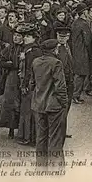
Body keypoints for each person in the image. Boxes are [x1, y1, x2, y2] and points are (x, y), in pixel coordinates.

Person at [31, 39, 68, 169]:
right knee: (55, 138)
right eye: (57, 48)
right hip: (54, 105)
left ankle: (40, 167)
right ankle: (55, 168)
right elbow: (60, 87)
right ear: (54, 50)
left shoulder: (35, 62)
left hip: (38, 104)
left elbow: (32, 83)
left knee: (41, 137)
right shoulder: (56, 63)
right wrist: (64, 103)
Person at [0, 26, 25, 138]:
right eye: (14, 35)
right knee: (10, 102)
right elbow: (1, 60)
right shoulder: (10, 48)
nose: (16, 37)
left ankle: (22, 129)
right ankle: (11, 129)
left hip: (22, 76)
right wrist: (10, 64)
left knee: (22, 102)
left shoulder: (25, 48)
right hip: (12, 77)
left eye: (18, 35)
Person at [70, 3, 92, 104]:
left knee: (78, 73)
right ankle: (75, 95)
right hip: (82, 51)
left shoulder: (75, 22)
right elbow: (88, 41)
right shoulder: (84, 24)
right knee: (80, 75)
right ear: (84, 12)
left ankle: (76, 94)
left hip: (76, 50)